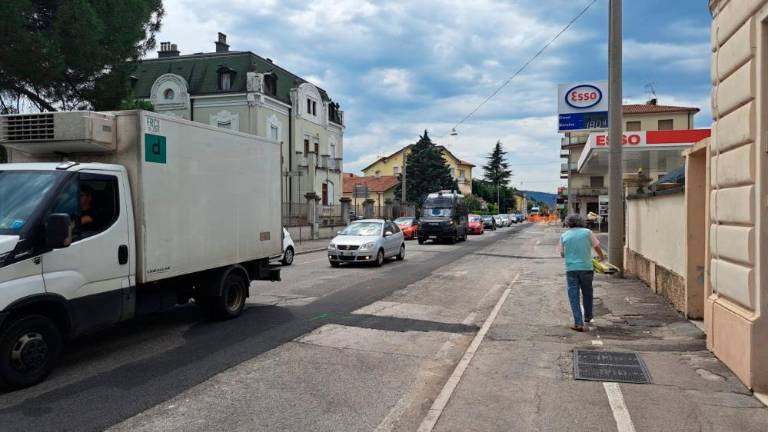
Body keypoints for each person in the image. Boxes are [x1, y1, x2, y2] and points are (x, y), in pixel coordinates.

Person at [557, 214, 605, 332]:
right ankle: (588, 316)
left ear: (568, 223)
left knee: (573, 296)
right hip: (587, 268)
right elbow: (597, 247)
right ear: (581, 222)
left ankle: (578, 323)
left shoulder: (564, 235)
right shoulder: (587, 232)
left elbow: (562, 254)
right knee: (587, 292)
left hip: (571, 269)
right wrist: (602, 257)